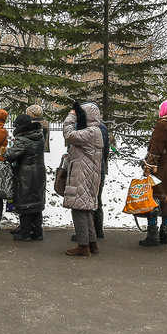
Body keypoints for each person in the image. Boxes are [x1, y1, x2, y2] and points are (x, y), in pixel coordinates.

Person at [139, 100, 167, 247]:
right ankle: (166, 233)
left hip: (160, 168)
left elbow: (156, 149)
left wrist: (149, 167)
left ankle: (152, 234)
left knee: (154, 197)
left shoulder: (162, 125)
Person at [62, 102, 104, 257]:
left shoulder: (91, 132)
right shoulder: (94, 131)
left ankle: (83, 246)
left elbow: (69, 135)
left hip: (83, 175)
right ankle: (92, 244)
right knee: (85, 210)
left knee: (79, 210)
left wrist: (71, 117)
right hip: (87, 173)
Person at [4, 113, 46, 242]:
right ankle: (38, 232)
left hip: (25, 174)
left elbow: (10, 156)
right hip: (38, 172)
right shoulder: (39, 136)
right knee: (36, 203)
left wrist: (8, 148)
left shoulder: (22, 140)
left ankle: (25, 232)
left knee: (25, 203)